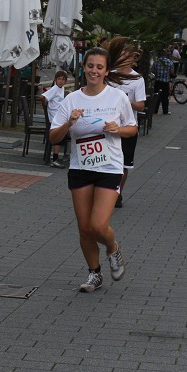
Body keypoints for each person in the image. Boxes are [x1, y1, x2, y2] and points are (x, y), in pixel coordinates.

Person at [49, 40, 138, 293]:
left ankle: (113, 248)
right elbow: (53, 137)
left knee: (98, 226)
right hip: (81, 168)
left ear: (106, 71)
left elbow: (132, 129)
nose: (94, 71)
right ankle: (94, 274)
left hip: (109, 167)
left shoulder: (118, 97)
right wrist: (69, 122)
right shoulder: (71, 100)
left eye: (99, 67)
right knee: (84, 227)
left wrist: (117, 129)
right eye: (90, 66)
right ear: (84, 68)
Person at [113, 43, 147, 208]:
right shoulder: (109, 75)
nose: (123, 58)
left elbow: (141, 106)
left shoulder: (137, 78)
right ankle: (106, 192)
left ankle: (118, 193)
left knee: (123, 164)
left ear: (132, 58)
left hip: (128, 126)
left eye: (126, 55)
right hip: (109, 126)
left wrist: (126, 101)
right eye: (121, 54)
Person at [40, 70, 70, 167]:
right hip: (54, 118)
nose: (61, 81)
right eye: (59, 79)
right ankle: (56, 158)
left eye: (63, 79)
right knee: (62, 131)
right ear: (56, 80)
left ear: (65, 81)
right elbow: (43, 97)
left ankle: (66, 155)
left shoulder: (61, 89)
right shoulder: (54, 89)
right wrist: (46, 105)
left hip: (59, 116)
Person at [151, 48, 175, 115]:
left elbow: (153, 70)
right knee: (165, 97)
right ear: (166, 54)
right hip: (165, 82)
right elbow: (172, 72)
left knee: (156, 96)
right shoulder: (169, 62)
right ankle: (165, 111)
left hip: (158, 81)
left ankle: (155, 110)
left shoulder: (156, 62)